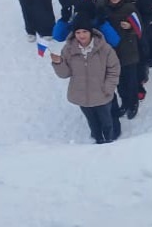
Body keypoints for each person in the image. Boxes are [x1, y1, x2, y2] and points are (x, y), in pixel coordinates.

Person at [50, 16, 121, 144]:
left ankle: (110, 142)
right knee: (92, 121)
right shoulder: (68, 49)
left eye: (84, 32)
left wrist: (108, 87)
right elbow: (65, 73)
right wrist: (58, 63)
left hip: (102, 94)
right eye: (78, 32)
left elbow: (114, 70)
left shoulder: (105, 49)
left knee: (107, 121)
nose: (81, 35)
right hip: (81, 95)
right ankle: (98, 140)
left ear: (91, 32)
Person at [95, 0, 142, 120]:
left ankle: (133, 103)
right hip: (110, 52)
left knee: (131, 80)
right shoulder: (101, 6)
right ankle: (125, 102)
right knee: (119, 81)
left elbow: (139, 28)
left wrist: (130, 27)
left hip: (128, 51)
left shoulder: (130, 8)